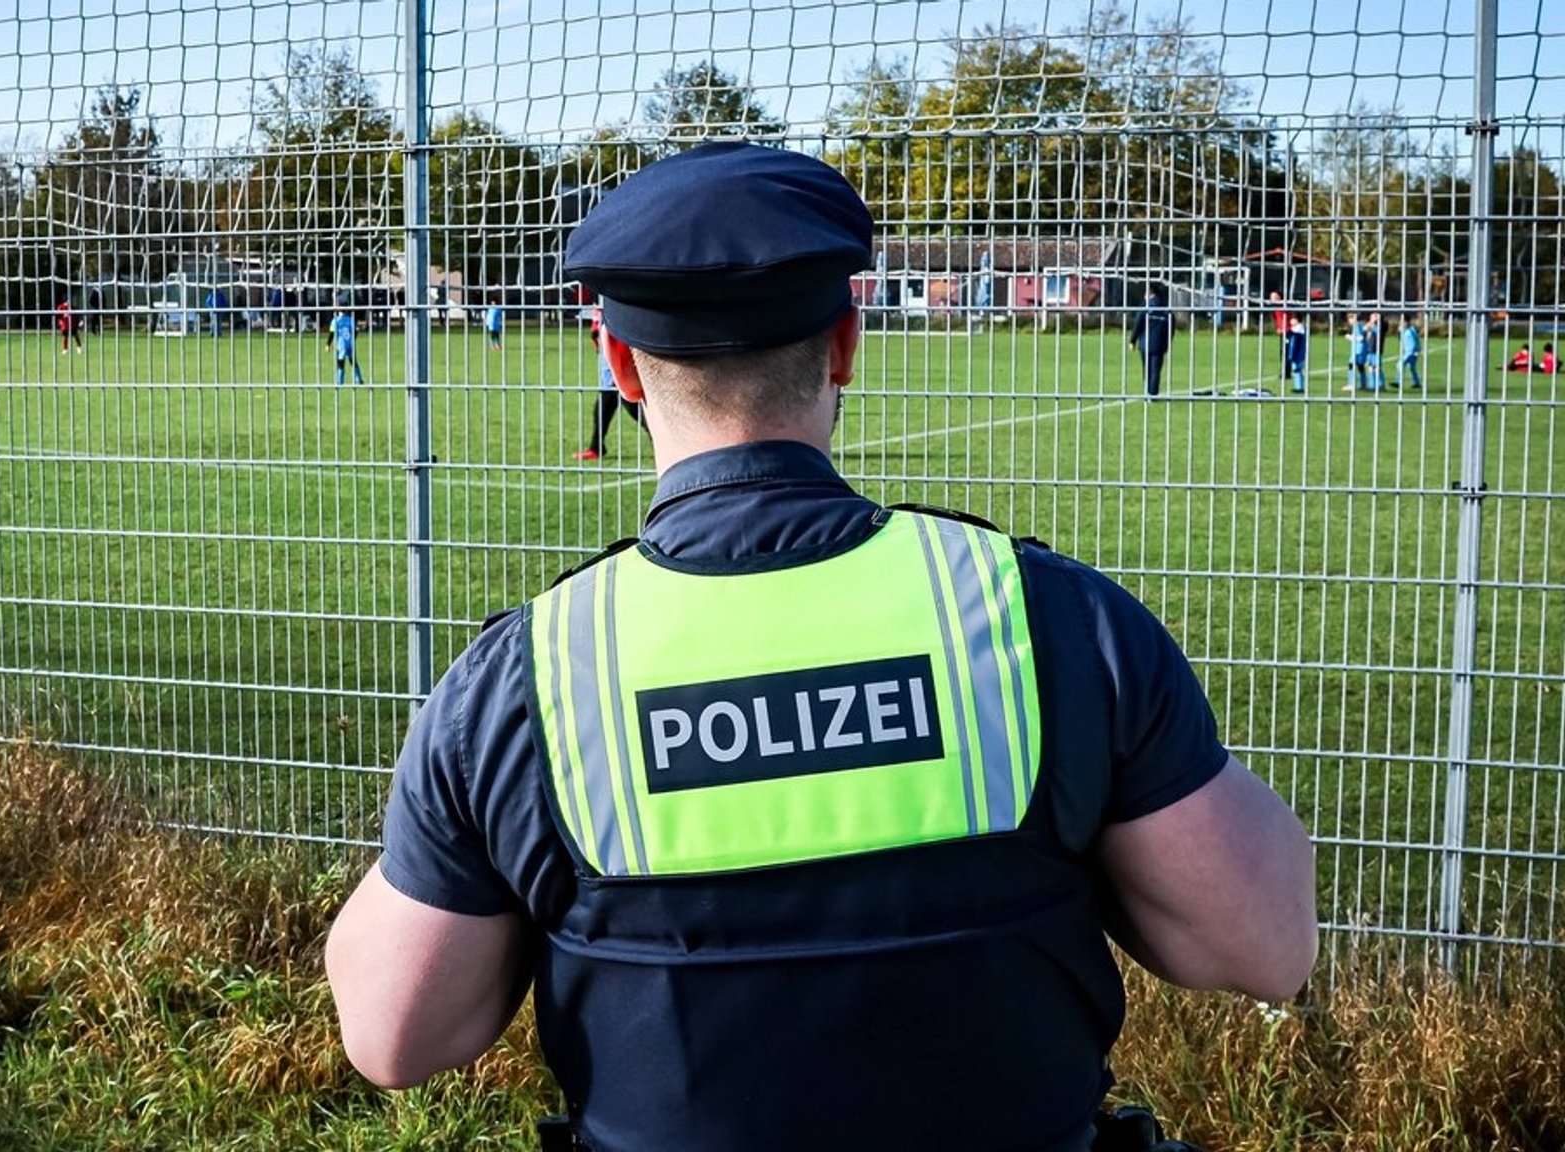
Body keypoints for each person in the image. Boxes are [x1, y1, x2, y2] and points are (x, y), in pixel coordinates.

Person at [324, 142, 1319, 1152]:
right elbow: (1265, 945)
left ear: (616, 362)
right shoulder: (1046, 618)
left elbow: (394, 1035)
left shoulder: (522, 681)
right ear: (843, 344)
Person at [575, 303, 642, 459]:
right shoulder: (601, 305)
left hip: (617, 368)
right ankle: (596, 447)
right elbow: (596, 330)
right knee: (603, 409)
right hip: (609, 370)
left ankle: (661, 440)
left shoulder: (613, 304)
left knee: (634, 410)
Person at [1128, 284, 1172, 399]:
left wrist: (1132, 340)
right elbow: (1171, 328)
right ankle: (1153, 393)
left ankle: (1148, 391)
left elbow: (1138, 324)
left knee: (1147, 368)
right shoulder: (1166, 309)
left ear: (1150, 293)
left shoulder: (1146, 308)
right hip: (1159, 344)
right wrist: (1167, 343)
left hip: (1145, 343)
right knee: (1156, 369)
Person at [329, 308, 365, 385]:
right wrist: (353, 339)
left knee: (340, 362)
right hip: (350, 344)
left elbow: (332, 333)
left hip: (341, 345)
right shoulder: (350, 319)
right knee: (353, 361)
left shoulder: (336, 320)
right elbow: (355, 331)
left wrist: (328, 344)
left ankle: (340, 380)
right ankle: (358, 379)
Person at [1398, 315, 1424, 390]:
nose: (1401, 323)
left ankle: (1399, 382)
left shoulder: (1411, 331)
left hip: (1411, 352)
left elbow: (1415, 341)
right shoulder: (1405, 330)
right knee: (1411, 367)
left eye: (1403, 322)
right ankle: (1417, 383)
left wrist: (1417, 350)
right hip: (1409, 351)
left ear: (1407, 322)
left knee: (1400, 364)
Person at [1269, 291, 1290, 380]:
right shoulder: (1274, 309)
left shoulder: (1285, 306)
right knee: (1283, 352)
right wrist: (1278, 327)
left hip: (1289, 331)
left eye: (1274, 297)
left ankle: (1286, 373)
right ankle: (1286, 372)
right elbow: (1276, 319)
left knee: (1286, 352)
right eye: (1271, 297)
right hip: (1282, 332)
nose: (1272, 299)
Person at [1286, 316, 1309, 394]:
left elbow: (1294, 338)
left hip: (1298, 353)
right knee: (1296, 370)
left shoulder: (1299, 329)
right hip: (1296, 353)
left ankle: (1299, 387)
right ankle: (1298, 386)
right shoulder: (1296, 330)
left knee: (1297, 369)